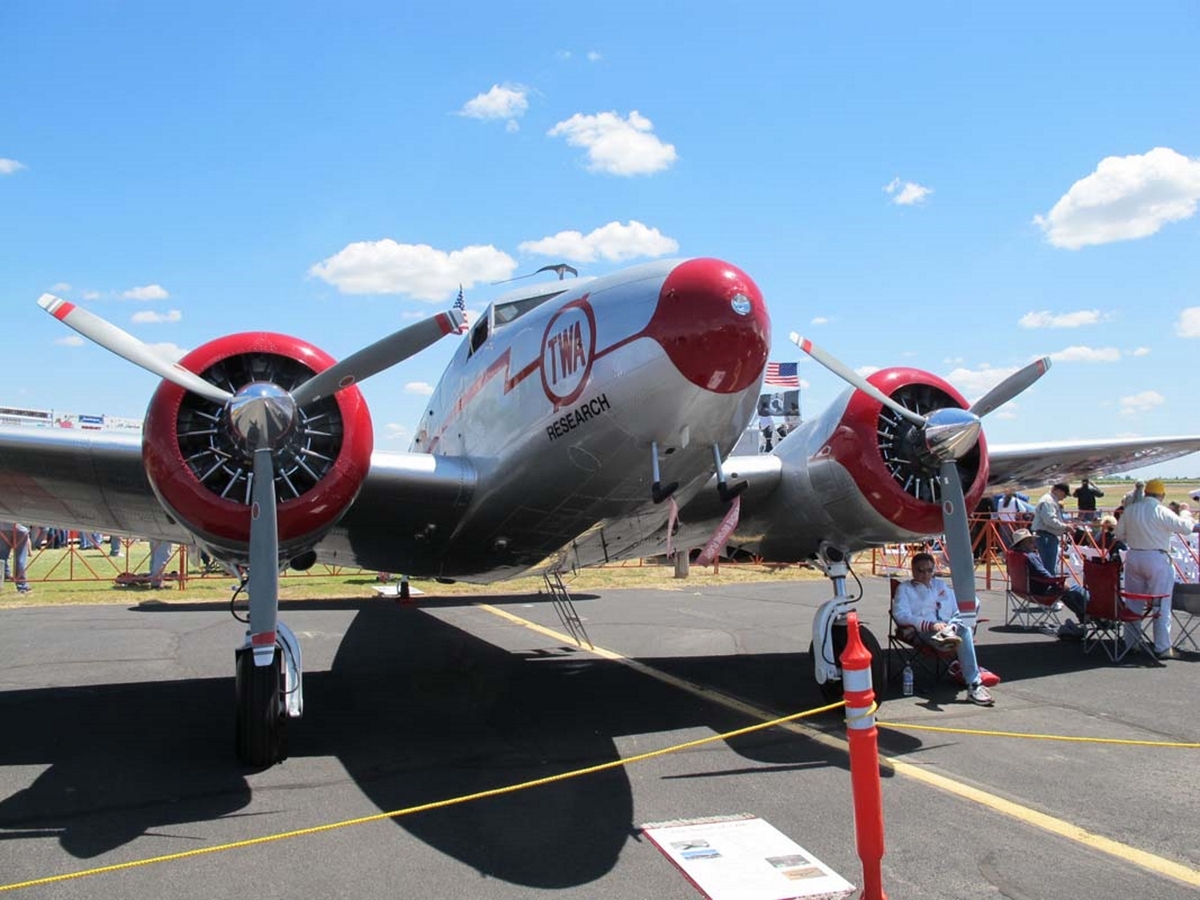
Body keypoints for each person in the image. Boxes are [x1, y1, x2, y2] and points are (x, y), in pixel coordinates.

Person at [891, 552, 994, 706]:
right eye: (920, 570)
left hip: (949, 627)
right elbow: (900, 615)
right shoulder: (905, 589)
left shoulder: (940, 585)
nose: (925, 575)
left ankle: (951, 629)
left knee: (972, 602)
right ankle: (974, 685)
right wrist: (931, 625)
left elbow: (960, 605)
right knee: (965, 630)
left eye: (929, 570)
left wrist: (951, 625)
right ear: (913, 570)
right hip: (926, 632)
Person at [1113, 478, 1197, 660]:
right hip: (1157, 557)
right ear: (1162, 495)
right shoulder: (1161, 510)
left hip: (1134, 556)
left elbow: (1118, 534)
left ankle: (1132, 642)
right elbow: (1186, 528)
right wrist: (1185, 512)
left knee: (1133, 602)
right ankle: (1162, 646)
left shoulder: (1131, 510)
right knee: (1161, 603)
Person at [1010, 528, 1088, 622]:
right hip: (1039, 591)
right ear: (1024, 543)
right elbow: (1045, 576)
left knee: (1066, 591)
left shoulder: (1013, 556)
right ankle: (1091, 613)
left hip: (1020, 589)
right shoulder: (1030, 557)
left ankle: (1084, 615)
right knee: (1074, 589)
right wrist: (1059, 582)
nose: (1034, 543)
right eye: (1031, 541)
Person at [1031, 482, 1071, 575]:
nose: (1064, 497)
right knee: (1049, 566)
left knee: (1048, 564)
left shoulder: (1049, 500)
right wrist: (1065, 527)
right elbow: (1049, 520)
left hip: (1047, 535)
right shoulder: (1048, 501)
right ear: (1059, 491)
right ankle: (1049, 587)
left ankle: (1048, 585)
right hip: (1046, 536)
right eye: (1064, 494)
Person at [0, 522, 33, 594]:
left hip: (3, 528)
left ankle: (5, 574)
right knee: (20, 558)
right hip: (21, 528)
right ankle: (22, 585)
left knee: (2, 556)